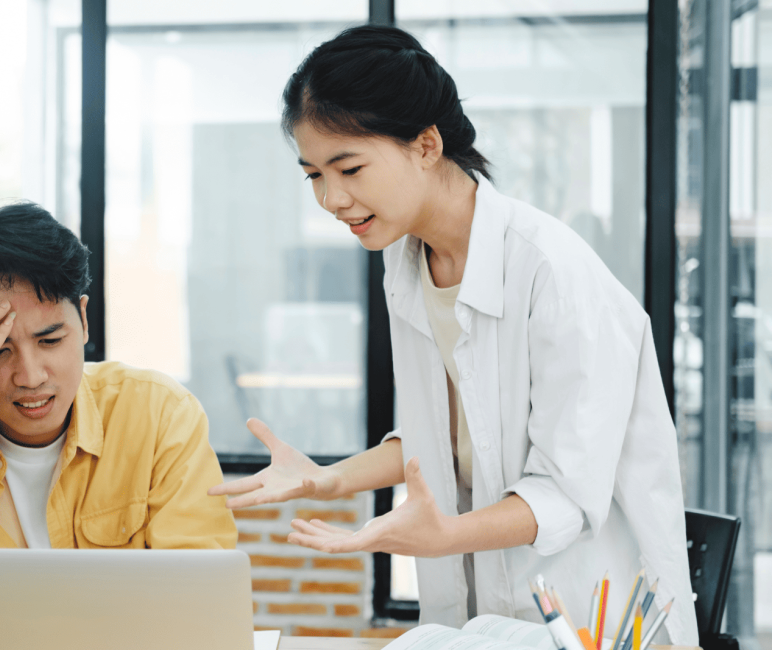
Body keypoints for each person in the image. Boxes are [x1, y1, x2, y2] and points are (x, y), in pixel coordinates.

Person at [208, 25, 697, 645]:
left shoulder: (553, 273)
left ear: (426, 144)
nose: (332, 199)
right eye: (313, 176)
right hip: (478, 621)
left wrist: (441, 537)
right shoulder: (407, 260)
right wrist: (330, 479)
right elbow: (441, 440)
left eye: (349, 167)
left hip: (584, 617)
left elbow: (564, 497)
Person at [0, 202, 237, 649]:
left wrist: (10, 634)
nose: (30, 376)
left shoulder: (160, 414)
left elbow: (201, 615)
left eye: (50, 340)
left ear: (85, 320)